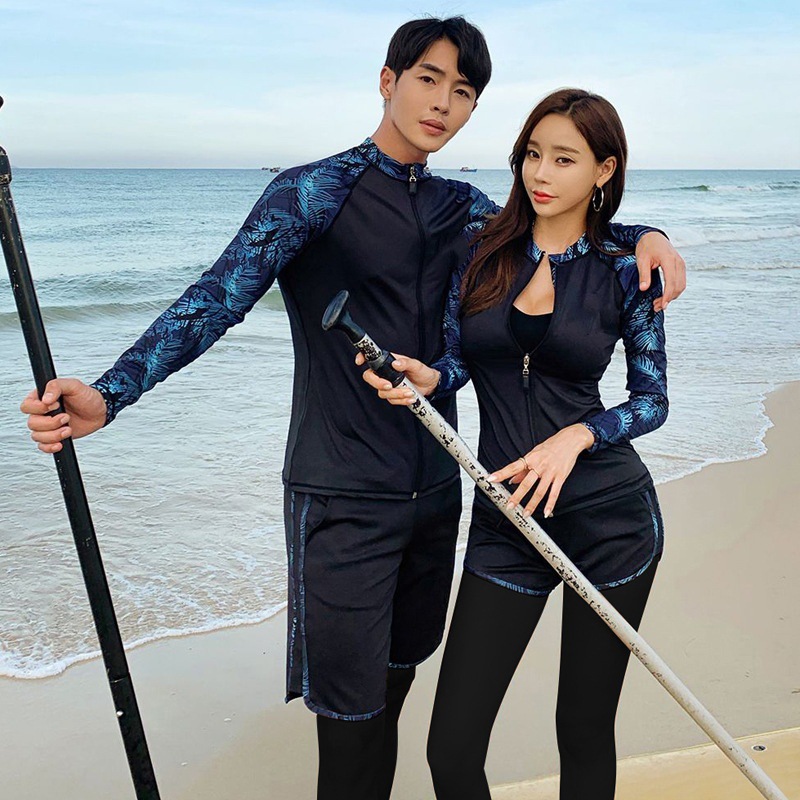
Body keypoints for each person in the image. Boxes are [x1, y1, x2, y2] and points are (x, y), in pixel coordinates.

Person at [19, 18, 683, 799]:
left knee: (393, 705)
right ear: (387, 81)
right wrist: (111, 393)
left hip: (437, 500)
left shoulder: (464, 212)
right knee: (351, 726)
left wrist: (651, 236)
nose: (441, 103)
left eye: (461, 91)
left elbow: (561, 228)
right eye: (427, 79)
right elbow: (217, 299)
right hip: (341, 500)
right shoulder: (312, 192)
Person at [360, 88, 670, 799]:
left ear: (603, 170)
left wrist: (576, 437)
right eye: (533, 154)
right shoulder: (481, 250)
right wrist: (427, 377)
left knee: (583, 729)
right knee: (451, 750)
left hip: (611, 523)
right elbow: (459, 362)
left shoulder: (626, 270)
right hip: (507, 521)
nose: (542, 173)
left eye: (565, 159)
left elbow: (652, 400)